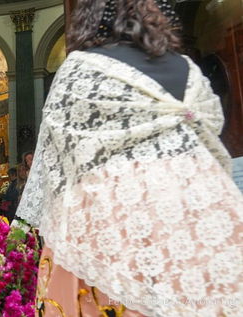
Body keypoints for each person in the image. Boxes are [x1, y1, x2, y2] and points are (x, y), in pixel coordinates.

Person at [16, 1, 243, 316]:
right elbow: (210, 139)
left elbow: (61, 161)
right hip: (196, 215)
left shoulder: (81, 67)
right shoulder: (187, 69)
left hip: (109, 218)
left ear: (91, 18)